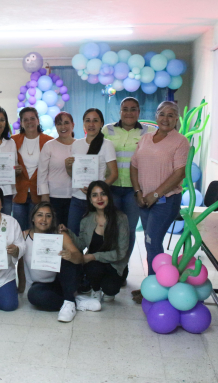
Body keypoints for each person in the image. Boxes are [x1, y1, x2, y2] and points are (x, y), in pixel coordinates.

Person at [130, 101, 189, 281]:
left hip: (165, 201)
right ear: (156, 115)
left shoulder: (180, 141)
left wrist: (155, 194)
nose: (166, 118)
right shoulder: (146, 138)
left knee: (153, 242)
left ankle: (156, 286)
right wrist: (138, 192)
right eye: (162, 113)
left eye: (171, 115)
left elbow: (180, 173)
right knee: (149, 243)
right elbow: (134, 166)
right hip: (144, 200)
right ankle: (152, 283)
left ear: (176, 119)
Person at [102, 97, 157, 274]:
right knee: (111, 229)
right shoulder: (107, 130)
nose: (129, 112)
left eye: (133, 109)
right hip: (111, 188)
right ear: (120, 111)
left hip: (135, 190)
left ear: (139, 112)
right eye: (125, 109)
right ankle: (109, 266)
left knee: (129, 229)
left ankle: (122, 267)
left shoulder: (149, 132)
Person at [64, 181, 130, 311]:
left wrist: (93, 256)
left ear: (109, 197)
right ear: (90, 199)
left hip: (115, 264)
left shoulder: (121, 219)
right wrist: (67, 232)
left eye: (103, 194)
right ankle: (95, 289)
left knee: (110, 289)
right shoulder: (86, 219)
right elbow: (81, 244)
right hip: (94, 264)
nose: (99, 198)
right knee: (92, 268)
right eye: (94, 195)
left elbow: (120, 253)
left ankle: (106, 288)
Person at [22, 202, 83, 322]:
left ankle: (69, 301)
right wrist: (21, 287)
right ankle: (73, 302)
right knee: (34, 296)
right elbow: (20, 264)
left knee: (67, 259)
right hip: (39, 286)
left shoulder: (59, 234)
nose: (44, 219)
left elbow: (79, 257)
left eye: (48, 216)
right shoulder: (24, 235)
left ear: (52, 219)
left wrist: (70, 256)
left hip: (60, 283)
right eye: (40, 215)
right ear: (33, 218)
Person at [65, 108, 118, 235]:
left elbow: (114, 174)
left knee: (95, 238)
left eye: (95, 121)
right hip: (77, 198)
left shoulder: (107, 144)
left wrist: (95, 191)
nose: (91, 124)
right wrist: (68, 167)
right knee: (73, 236)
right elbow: (74, 175)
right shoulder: (77, 144)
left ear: (101, 123)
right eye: (88, 121)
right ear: (83, 124)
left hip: (97, 201)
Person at [11, 107, 54, 231]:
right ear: (21, 123)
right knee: (19, 231)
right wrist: (12, 170)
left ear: (38, 120)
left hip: (39, 194)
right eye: (25, 119)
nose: (29, 122)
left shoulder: (49, 141)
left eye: (32, 118)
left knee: (37, 230)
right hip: (19, 193)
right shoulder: (13, 141)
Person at [37, 112, 75, 227]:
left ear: (73, 125)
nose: (63, 127)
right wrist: (44, 196)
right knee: (54, 232)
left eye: (66, 123)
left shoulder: (81, 145)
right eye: (59, 124)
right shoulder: (49, 145)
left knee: (72, 232)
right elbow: (41, 173)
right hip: (54, 198)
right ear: (55, 126)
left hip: (76, 198)